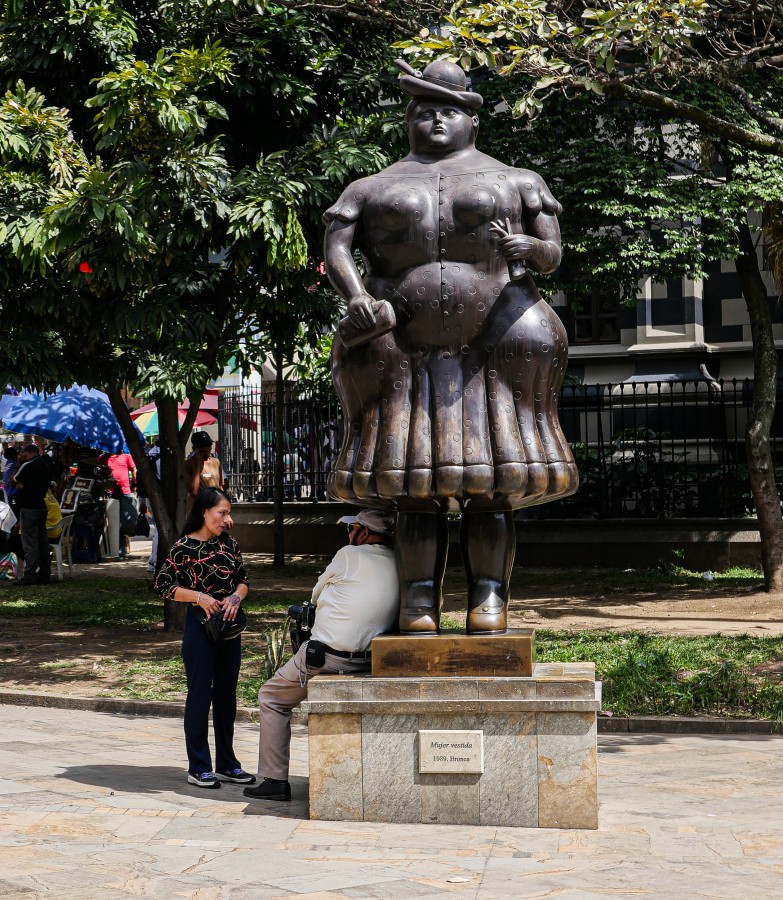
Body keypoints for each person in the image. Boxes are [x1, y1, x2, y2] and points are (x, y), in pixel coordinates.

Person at [323, 58, 578, 636]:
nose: (436, 121)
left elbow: (552, 252)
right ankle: (418, 602)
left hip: (497, 342)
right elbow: (337, 247)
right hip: (402, 346)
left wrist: (526, 249)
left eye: (449, 112)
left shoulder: (517, 180)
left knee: (492, 486)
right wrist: (358, 296)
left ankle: (490, 597)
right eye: (424, 112)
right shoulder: (371, 186)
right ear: (408, 119)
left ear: (472, 121)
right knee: (415, 485)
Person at [243, 508, 399, 802]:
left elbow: (316, 595)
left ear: (363, 532)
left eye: (351, 529)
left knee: (271, 697)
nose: (348, 535)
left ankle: (275, 780)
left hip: (327, 658)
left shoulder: (348, 556)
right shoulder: (397, 560)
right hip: (369, 660)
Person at [154, 488, 254, 789]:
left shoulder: (228, 544)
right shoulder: (183, 547)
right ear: (204, 512)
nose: (227, 519)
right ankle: (199, 766)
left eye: (228, 513)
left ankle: (227, 764)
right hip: (199, 629)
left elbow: (243, 579)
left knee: (227, 695)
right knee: (200, 695)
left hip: (228, 627)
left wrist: (236, 597)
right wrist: (199, 597)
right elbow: (162, 585)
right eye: (222, 513)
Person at [11, 444, 52, 585]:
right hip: (41, 506)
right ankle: (45, 573)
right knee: (42, 542)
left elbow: (13, 480)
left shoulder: (27, 465)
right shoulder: (45, 465)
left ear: (28, 453)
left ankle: (30, 575)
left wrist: (18, 463)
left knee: (30, 543)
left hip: (29, 507)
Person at [185, 432, 224, 511]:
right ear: (195, 450)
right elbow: (194, 491)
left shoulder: (216, 462)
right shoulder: (188, 465)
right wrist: (197, 466)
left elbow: (220, 487)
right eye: (203, 452)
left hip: (213, 509)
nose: (207, 454)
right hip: (197, 511)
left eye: (209, 450)